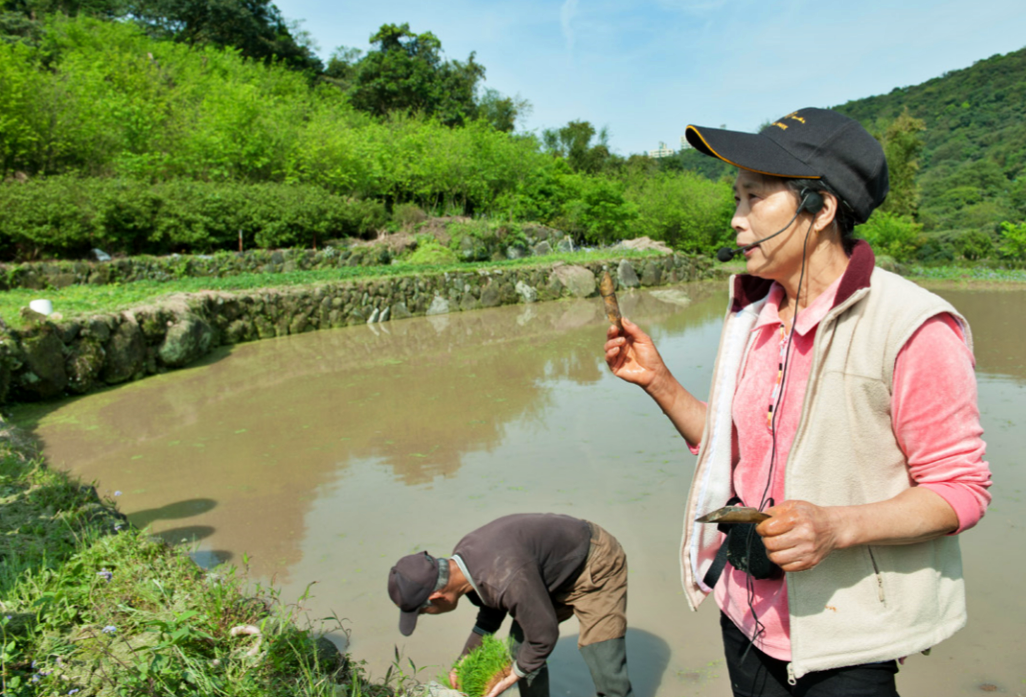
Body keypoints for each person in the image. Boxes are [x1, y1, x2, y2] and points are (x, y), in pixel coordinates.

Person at [604, 108, 991, 696]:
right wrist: (658, 380)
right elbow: (731, 452)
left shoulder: (911, 325)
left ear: (822, 208)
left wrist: (835, 527)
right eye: (736, 198)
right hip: (742, 611)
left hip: (843, 636)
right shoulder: (753, 316)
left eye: (754, 198)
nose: (736, 220)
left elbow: (960, 489)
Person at [387, 513, 633, 697]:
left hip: (593, 563)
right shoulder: (464, 565)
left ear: (439, 597)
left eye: (424, 611)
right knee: (520, 648)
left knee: (604, 662)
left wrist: (511, 676)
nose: (428, 614)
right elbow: (491, 609)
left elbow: (544, 636)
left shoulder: (505, 577)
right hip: (542, 574)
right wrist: (464, 658)